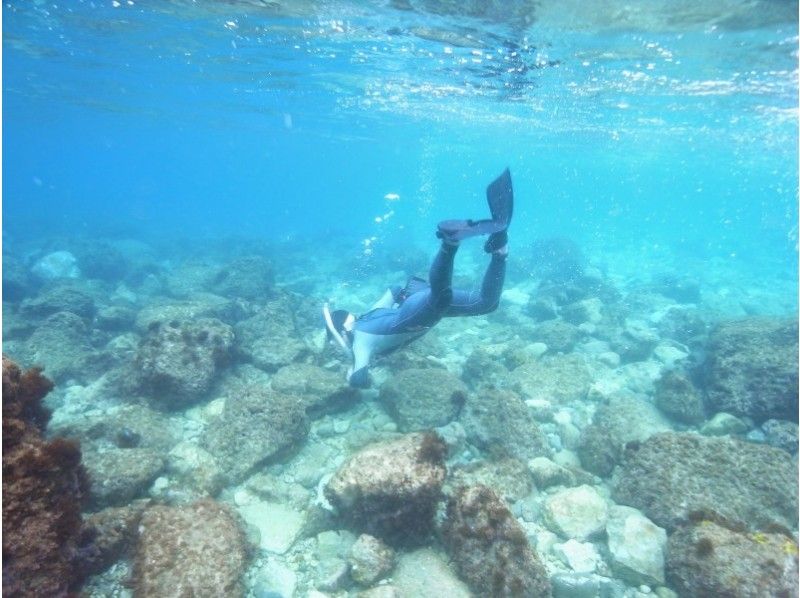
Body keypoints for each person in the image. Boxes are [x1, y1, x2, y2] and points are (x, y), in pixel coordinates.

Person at [323, 168, 513, 388]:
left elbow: (360, 381)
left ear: (342, 332)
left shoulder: (359, 343)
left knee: (439, 298)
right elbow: (394, 290)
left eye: (333, 340)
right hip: (414, 304)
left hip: (416, 312)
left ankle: (450, 242)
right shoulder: (365, 318)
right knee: (486, 304)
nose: (336, 349)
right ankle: (501, 251)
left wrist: (350, 374)